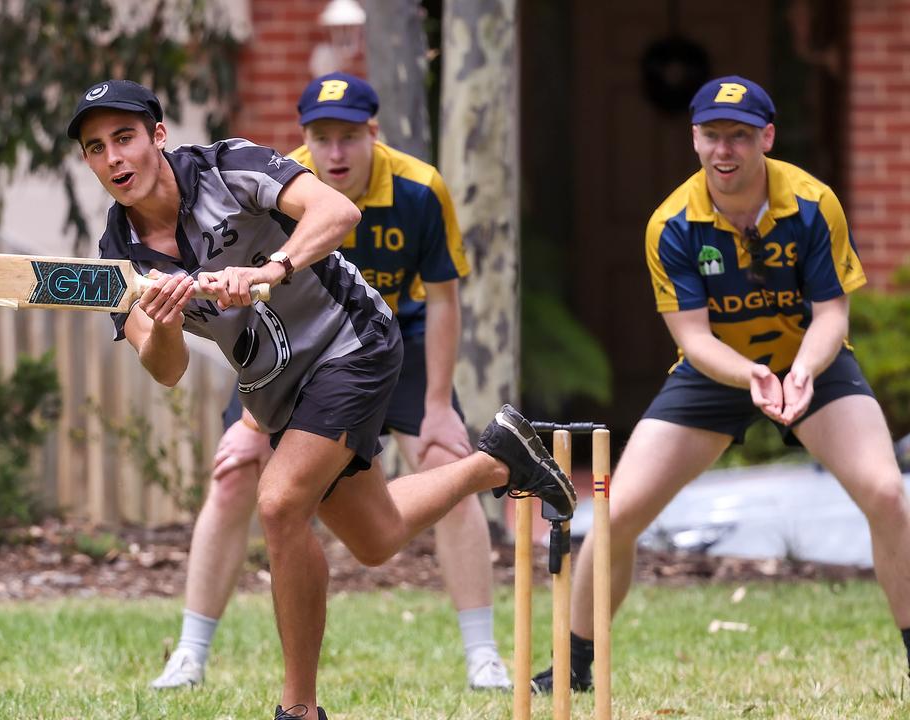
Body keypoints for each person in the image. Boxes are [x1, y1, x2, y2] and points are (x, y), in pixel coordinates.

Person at [69, 79, 575, 720]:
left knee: (279, 503)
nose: (114, 159)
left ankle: (299, 709)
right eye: (96, 149)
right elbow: (163, 370)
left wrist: (267, 270)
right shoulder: (119, 258)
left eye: (125, 138)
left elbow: (338, 213)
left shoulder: (229, 167)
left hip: (350, 340)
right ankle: (499, 460)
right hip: (280, 391)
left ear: (157, 136)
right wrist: (165, 319)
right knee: (377, 537)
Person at [532, 75, 910, 692]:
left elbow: (832, 315)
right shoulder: (673, 224)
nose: (724, 151)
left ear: (766, 136)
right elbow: (694, 339)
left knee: (888, 497)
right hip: (716, 372)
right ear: (694, 139)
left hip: (814, 363)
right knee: (616, 512)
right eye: (711, 135)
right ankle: (573, 665)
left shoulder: (814, 204)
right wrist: (753, 375)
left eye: (738, 135)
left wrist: (803, 372)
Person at [149, 72, 509, 692]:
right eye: (322, 137)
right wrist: (256, 424)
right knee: (254, 478)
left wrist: (438, 404)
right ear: (305, 138)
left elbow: (446, 298)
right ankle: (188, 653)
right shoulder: (283, 176)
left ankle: (483, 655)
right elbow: (245, 316)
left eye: (349, 137)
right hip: (287, 350)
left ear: (373, 134)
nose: (335, 152)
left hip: (387, 338)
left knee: (433, 449)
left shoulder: (420, 189)